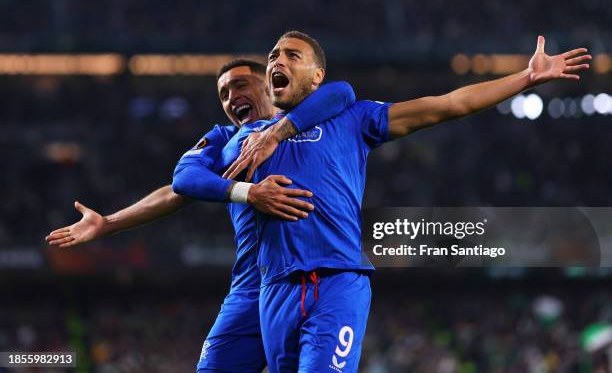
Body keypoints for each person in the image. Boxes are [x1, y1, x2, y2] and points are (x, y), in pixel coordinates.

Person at [222, 31, 591, 372]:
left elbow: (448, 104)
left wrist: (525, 78)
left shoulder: (352, 117)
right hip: (274, 291)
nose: (276, 62)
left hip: (335, 282)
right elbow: (186, 182)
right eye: (272, 56)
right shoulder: (246, 139)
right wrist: (244, 190)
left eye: (291, 55)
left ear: (317, 76)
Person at [46, 58, 356, 372]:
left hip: (311, 276)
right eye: (223, 94)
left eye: (240, 85)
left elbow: (342, 92)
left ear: (268, 83)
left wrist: (277, 133)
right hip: (251, 287)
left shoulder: (313, 120)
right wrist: (109, 223)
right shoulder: (224, 139)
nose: (231, 97)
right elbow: (182, 183)